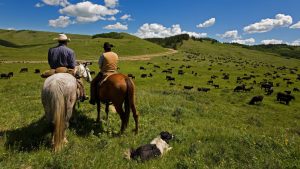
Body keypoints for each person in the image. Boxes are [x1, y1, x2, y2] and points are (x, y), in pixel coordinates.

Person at [43, 34, 87, 101]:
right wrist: (76, 64)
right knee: (79, 80)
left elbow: (50, 62)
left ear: (58, 41)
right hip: (67, 70)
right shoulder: (70, 51)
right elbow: (72, 65)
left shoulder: (51, 50)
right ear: (66, 42)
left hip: (54, 70)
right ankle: (82, 94)